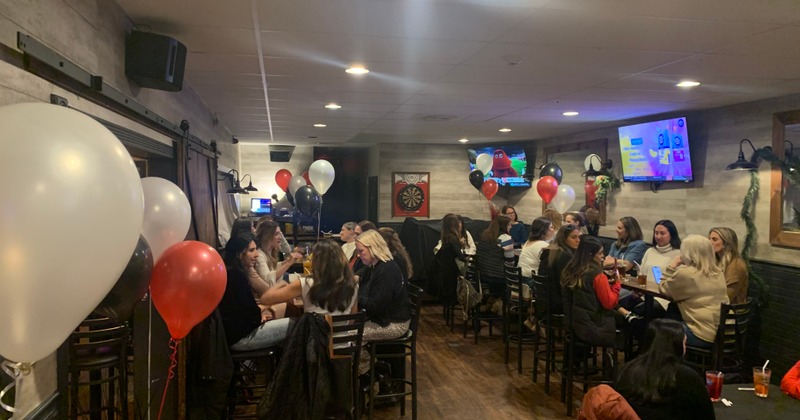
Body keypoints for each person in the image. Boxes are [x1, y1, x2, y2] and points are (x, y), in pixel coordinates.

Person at [615, 319, 715, 420]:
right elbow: (707, 416)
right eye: (684, 343)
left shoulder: (625, 371)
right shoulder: (689, 377)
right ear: (677, 347)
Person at [218, 233, 291, 350]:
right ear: (239, 254)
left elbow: (246, 312)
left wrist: (260, 313)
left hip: (236, 334)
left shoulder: (231, 272)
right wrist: (267, 306)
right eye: (251, 250)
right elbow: (252, 315)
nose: (256, 254)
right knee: (297, 325)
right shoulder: (236, 277)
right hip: (241, 338)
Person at [658, 235, 729, 349]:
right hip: (723, 333)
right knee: (673, 309)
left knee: (659, 330)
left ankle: (664, 360)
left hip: (702, 334)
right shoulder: (718, 272)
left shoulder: (687, 274)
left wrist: (672, 266)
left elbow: (663, 289)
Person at [257, 240, 358, 317]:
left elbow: (266, 299)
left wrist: (281, 284)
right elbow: (352, 318)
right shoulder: (353, 285)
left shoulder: (306, 283)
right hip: (344, 338)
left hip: (313, 338)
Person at [561, 236, 620, 348]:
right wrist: (616, 285)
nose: (603, 256)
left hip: (573, 324)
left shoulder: (570, 269)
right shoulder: (597, 274)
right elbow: (609, 303)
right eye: (600, 253)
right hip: (594, 327)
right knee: (629, 322)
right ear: (590, 255)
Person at [354, 230, 411, 342]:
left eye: (361, 251)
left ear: (373, 248)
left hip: (394, 323)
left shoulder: (387, 270)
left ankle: (362, 353)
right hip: (381, 318)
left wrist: (354, 298)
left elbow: (375, 305)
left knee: (347, 335)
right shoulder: (373, 267)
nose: (358, 255)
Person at [537, 224, 581, 315]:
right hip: (557, 304)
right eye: (574, 237)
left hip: (544, 300)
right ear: (564, 239)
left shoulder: (551, 250)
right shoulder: (565, 256)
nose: (578, 240)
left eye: (579, 237)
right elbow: (566, 285)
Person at [253, 220, 303, 288]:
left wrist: (287, 261)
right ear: (266, 236)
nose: (280, 237)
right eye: (276, 234)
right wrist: (288, 264)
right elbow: (268, 280)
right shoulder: (259, 255)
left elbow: (274, 267)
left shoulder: (269, 251)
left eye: (280, 234)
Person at [475, 215, 514, 295]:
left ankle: (493, 299)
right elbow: (510, 262)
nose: (511, 227)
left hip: (483, 274)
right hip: (499, 277)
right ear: (503, 226)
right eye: (509, 225)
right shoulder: (506, 238)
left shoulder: (485, 235)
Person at [709, 227, 749, 304]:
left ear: (726, 243)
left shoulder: (736, 265)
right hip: (716, 303)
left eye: (714, 239)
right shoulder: (716, 260)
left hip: (731, 308)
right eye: (709, 239)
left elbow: (726, 297)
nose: (710, 242)